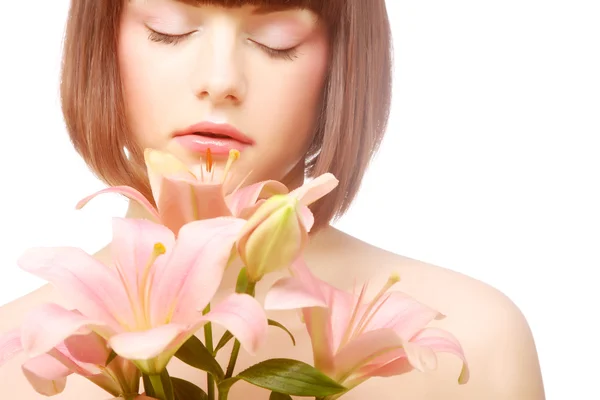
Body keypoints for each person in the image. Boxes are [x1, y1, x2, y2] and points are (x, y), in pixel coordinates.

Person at [0, 0, 546, 398]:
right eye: (168, 29)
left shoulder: (478, 334)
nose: (220, 81)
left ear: (342, 64)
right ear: (103, 40)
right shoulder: (16, 350)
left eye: (277, 38)